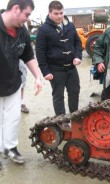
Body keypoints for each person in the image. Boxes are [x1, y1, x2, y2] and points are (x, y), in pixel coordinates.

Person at [0, 0, 42, 167]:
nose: (27, 18)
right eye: (27, 14)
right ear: (16, 9)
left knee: (13, 118)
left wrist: (37, 77)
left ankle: (10, 148)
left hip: (13, 82)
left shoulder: (22, 31)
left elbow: (28, 55)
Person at [36, 1, 82, 119]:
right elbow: (40, 53)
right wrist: (45, 71)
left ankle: (75, 118)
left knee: (74, 92)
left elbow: (77, 42)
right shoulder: (43, 30)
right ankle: (62, 122)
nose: (59, 16)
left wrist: (78, 56)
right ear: (49, 13)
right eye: (56, 13)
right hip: (55, 70)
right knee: (58, 96)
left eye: (61, 13)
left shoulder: (70, 26)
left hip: (71, 68)